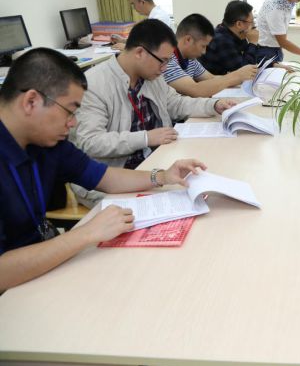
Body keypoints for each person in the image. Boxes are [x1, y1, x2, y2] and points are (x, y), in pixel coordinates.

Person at [0, 48, 206, 291]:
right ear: (31, 102)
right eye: (70, 111)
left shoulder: (46, 143)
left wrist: (162, 176)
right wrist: (86, 233)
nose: (73, 123)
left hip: (44, 265)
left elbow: (104, 177)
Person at [71, 19, 236, 205]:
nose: (165, 68)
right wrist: (146, 138)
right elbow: (91, 142)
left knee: (206, 181)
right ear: (139, 52)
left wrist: (213, 105)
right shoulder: (94, 84)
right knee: (184, 203)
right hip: (110, 179)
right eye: (163, 61)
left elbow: (176, 103)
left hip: (153, 163)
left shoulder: (151, 76)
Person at [163, 13, 257, 98]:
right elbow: (195, 89)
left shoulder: (190, 59)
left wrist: (241, 76)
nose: (204, 52)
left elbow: (211, 78)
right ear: (188, 40)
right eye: (203, 46)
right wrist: (237, 75)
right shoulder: (167, 61)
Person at [200, 0, 260, 77]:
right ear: (239, 24)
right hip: (213, 82)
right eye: (251, 22)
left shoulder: (237, 34)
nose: (254, 26)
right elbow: (244, 71)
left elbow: (250, 57)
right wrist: (253, 43)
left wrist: (271, 64)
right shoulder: (221, 40)